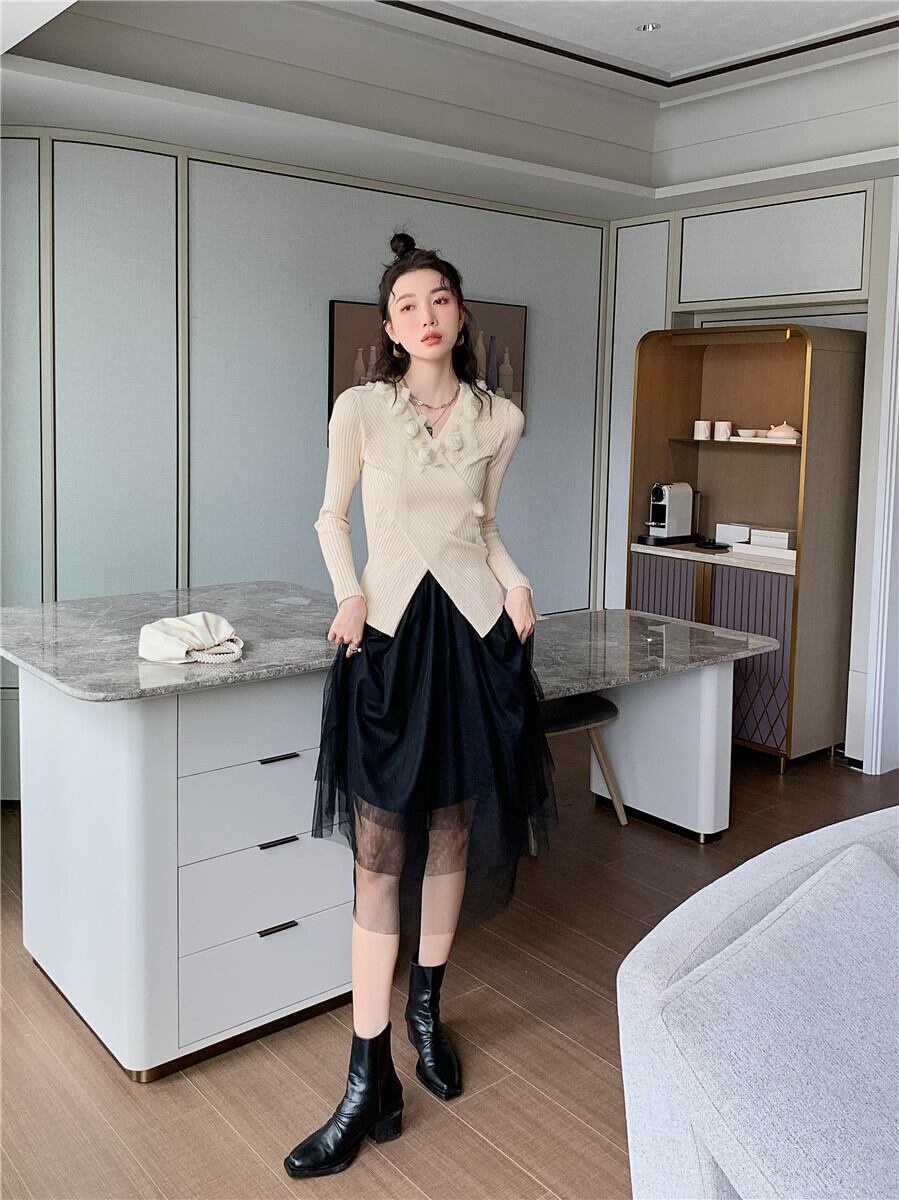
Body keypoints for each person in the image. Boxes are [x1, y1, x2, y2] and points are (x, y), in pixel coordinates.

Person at [284, 230, 558, 1180]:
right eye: (407, 305)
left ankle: (427, 1011)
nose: (426, 315)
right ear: (391, 328)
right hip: (391, 642)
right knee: (378, 855)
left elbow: (484, 528)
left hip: (476, 642)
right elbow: (331, 517)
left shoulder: (500, 419)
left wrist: (518, 582)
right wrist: (347, 595)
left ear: (459, 313)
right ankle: (368, 1079)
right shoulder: (361, 409)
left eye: (439, 298)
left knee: (450, 832)